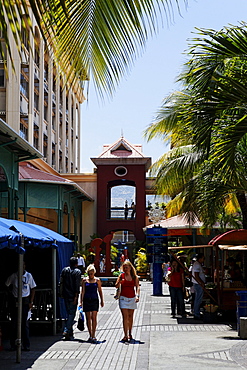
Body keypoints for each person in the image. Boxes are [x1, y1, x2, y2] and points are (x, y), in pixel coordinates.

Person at [5, 261, 36, 351]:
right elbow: (6, 284)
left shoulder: (28, 276)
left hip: (25, 301)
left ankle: (26, 344)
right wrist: (10, 294)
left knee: (25, 324)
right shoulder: (14, 276)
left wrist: (31, 301)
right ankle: (13, 344)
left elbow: (33, 288)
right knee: (14, 323)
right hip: (16, 301)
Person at [115, 260, 140, 342]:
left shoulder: (134, 277)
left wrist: (137, 296)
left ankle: (130, 333)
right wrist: (120, 282)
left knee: (130, 317)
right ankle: (125, 335)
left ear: (130, 267)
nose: (125, 269)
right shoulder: (121, 276)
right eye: (124, 267)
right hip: (123, 298)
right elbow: (116, 286)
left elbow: (137, 287)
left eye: (127, 267)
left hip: (132, 297)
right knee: (125, 317)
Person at [80, 264, 104, 343]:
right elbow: (82, 292)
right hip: (86, 300)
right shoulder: (84, 280)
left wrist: (102, 300)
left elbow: (100, 291)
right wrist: (81, 302)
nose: (91, 275)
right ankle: (90, 334)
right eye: (89, 273)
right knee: (88, 318)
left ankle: (93, 334)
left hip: (94, 299)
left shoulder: (97, 280)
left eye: (92, 273)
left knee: (94, 317)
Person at [59, 256, 81, 340]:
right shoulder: (77, 272)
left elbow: (61, 282)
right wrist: (76, 296)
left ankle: (70, 331)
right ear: (76, 263)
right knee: (72, 313)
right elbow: (76, 285)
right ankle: (66, 330)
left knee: (68, 313)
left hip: (65, 294)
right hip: (72, 295)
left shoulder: (65, 270)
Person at [191, 253, 206, 320]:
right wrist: (201, 283)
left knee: (198, 299)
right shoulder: (197, 265)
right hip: (198, 284)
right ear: (200, 258)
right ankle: (196, 313)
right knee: (198, 299)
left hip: (198, 284)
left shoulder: (198, 264)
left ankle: (196, 312)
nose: (204, 260)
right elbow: (196, 275)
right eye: (203, 258)